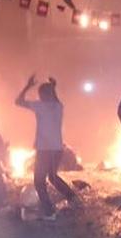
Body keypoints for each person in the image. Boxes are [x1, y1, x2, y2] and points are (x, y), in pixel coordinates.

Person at [15, 75, 77, 220]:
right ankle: (72, 197)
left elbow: (18, 101)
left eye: (41, 93)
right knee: (52, 177)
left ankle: (49, 212)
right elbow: (56, 99)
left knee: (39, 181)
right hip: (57, 149)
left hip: (44, 150)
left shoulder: (40, 106)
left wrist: (28, 86)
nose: (40, 96)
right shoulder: (58, 107)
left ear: (42, 95)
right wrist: (53, 88)